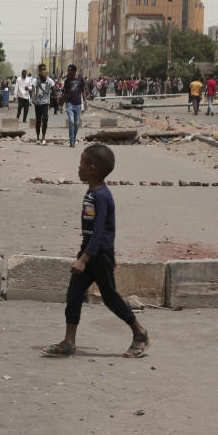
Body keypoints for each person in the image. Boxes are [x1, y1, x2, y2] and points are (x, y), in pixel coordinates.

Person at [41, 143, 151, 359]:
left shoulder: (101, 195)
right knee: (73, 295)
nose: (78, 167)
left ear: (91, 169)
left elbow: (100, 231)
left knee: (110, 297)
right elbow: (101, 229)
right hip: (91, 250)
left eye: (81, 163)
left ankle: (140, 333)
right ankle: (69, 342)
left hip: (97, 254)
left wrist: (86, 258)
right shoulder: (93, 191)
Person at [61, 64, 86, 147]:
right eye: (68, 71)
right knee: (71, 121)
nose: (68, 73)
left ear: (74, 71)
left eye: (70, 72)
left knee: (77, 123)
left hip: (78, 105)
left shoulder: (80, 79)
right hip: (69, 104)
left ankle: (73, 138)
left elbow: (83, 91)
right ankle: (72, 142)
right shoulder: (67, 81)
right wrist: (61, 105)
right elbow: (64, 93)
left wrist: (85, 101)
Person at [32, 63, 54, 145]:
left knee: (45, 119)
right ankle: (38, 137)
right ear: (39, 71)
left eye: (44, 69)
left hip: (45, 103)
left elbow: (54, 89)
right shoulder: (35, 80)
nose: (43, 71)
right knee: (38, 121)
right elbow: (33, 90)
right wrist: (33, 98)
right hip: (37, 103)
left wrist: (56, 100)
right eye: (41, 69)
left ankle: (43, 137)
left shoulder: (49, 80)